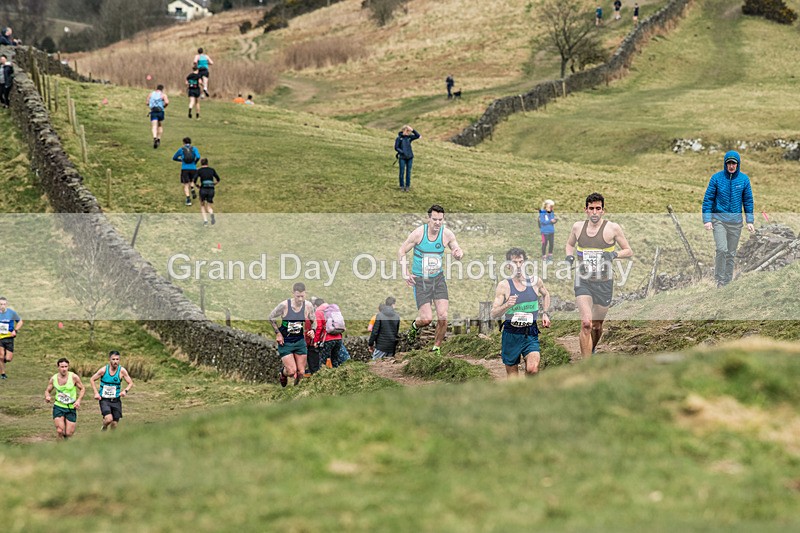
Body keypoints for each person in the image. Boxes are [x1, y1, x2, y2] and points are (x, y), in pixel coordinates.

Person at [565, 192, 633, 359]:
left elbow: (628, 251)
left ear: (603, 210)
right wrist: (569, 256)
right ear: (586, 210)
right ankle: (587, 365)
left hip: (604, 282)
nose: (594, 212)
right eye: (591, 209)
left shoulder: (613, 228)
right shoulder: (577, 227)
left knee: (596, 326)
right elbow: (569, 244)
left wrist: (614, 254)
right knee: (586, 323)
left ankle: (592, 348)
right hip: (583, 280)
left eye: (598, 208)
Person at [399, 204, 464, 353]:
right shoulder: (418, 234)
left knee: (443, 316)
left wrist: (458, 254)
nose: (437, 223)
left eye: (440, 220)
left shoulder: (447, 234)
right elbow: (401, 251)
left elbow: (457, 250)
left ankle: (436, 348)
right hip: (420, 280)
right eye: (434, 219)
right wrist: (405, 273)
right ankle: (415, 326)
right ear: (429, 218)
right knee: (426, 319)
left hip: (438, 279)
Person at [491, 248, 551, 378]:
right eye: (514, 262)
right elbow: (493, 313)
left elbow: (546, 294)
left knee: (532, 369)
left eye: (521, 262)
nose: (518, 266)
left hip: (530, 333)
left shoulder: (535, 281)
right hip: (511, 335)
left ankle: (530, 390)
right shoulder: (504, 286)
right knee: (513, 378)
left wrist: (545, 313)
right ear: (508, 266)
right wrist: (507, 305)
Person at [702, 150, 755, 287]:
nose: (731, 166)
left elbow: (748, 201)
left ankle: (727, 283)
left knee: (731, 253)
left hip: (736, 223)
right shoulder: (716, 178)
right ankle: (719, 280)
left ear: (738, 164)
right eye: (729, 163)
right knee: (722, 249)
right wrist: (707, 220)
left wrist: (749, 221)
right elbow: (708, 200)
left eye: (734, 163)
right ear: (725, 164)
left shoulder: (744, 180)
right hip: (719, 220)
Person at [268, 282, 316, 387]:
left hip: (299, 340)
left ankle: (295, 390)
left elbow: (314, 320)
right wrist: (278, 333)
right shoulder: (284, 305)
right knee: (291, 371)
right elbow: (271, 317)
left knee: (301, 372)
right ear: (293, 293)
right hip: (285, 341)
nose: (300, 299)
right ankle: (282, 373)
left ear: (305, 293)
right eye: (298, 296)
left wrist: (313, 330)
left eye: (302, 296)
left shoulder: (308, 306)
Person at [89, 350, 133, 431]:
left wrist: (125, 391)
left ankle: (111, 438)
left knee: (114, 424)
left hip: (116, 400)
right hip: (104, 399)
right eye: (113, 359)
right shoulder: (103, 370)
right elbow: (92, 379)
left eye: (117, 359)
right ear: (109, 359)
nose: (115, 361)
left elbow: (130, 383)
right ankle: (104, 427)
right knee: (109, 419)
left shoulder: (122, 371)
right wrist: (96, 393)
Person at [44, 358, 85, 440]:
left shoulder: (73, 377)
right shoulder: (54, 378)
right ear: (58, 367)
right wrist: (47, 396)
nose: (64, 369)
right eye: (62, 367)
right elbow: (47, 390)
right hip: (59, 406)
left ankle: (66, 445)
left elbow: (82, 389)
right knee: (60, 431)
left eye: (66, 367)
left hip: (71, 407)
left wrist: (78, 400)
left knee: (68, 434)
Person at [313, 298, 344, 368]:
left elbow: (319, 327)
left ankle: (322, 374)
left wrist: (316, 341)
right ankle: (336, 373)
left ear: (315, 305)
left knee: (322, 361)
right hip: (338, 338)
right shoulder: (333, 309)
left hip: (327, 339)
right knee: (335, 360)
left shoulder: (318, 311)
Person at [172, 137, 201, 206]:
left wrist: (181, 160)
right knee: (192, 180)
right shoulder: (194, 149)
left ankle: (188, 199)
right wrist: (195, 162)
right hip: (193, 168)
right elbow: (198, 157)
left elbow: (174, 158)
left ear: (183, 142)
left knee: (185, 184)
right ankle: (192, 188)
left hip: (185, 168)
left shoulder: (181, 149)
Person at [193, 158, 220, 226]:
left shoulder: (199, 170)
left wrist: (197, 185)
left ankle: (205, 221)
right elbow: (218, 179)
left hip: (203, 189)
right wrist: (214, 184)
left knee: (202, 205)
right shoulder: (212, 170)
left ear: (201, 163)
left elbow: (195, 179)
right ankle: (211, 213)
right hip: (211, 189)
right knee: (209, 206)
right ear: (207, 163)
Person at [0, 296, 22, 379]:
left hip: (9, 337)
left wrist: (15, 330)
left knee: (8, 359)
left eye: (4, 304)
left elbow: (20, 322)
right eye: (1, 304)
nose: (2, 306)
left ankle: (2, 360)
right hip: (0, 337)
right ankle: (3, 374)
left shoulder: (11, 313)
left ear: (6, 305)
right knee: (1, 356)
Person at [394, 125, 421, 192]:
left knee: (408, 172)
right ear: (403, 130)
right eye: (407, 131)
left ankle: (407, 186)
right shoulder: (399, 138)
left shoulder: (409, 138)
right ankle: (402, 186)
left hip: (410, 157)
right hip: (402, 157)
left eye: (409, 131)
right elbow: (396, 147)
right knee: (402, 172)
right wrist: (402, 152)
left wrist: (412, 130)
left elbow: (418, 136)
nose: (408, 132)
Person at [147, 84, 169, 149]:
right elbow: (167, 102)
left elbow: (147, 103)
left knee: (154, 126)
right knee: (159, 125)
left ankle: (154, 138)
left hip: (153, 111)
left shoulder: (151, 94)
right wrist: (164, 106)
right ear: (162, 89)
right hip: (160, 111)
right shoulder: (163, 95)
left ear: (156, 88)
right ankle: (158, 138)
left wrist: (151, 105)